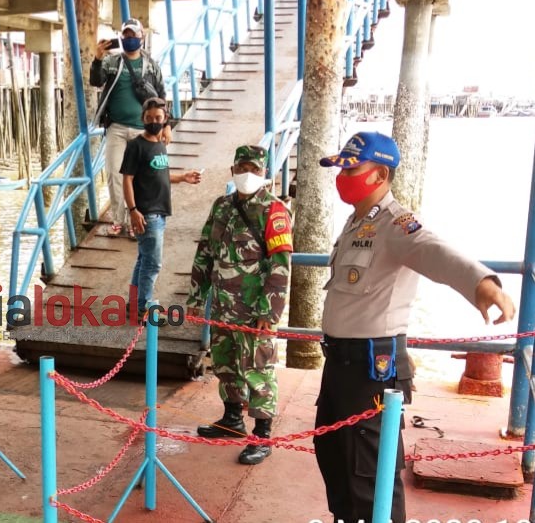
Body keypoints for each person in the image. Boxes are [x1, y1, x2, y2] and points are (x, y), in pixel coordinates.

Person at [314, 131, 515, 523]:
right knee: (334, 457)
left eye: (352, 168)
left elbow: (434, 251)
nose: (342, 176)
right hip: (339, 365)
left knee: (369, 473)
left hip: (371, 367)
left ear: (380, 175)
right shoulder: (356, 222)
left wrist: (482, 283)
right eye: (341, 168)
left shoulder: (396, 224)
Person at [186, 145, 293, 465]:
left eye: (255, 169)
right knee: (226, 363)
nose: (248, 174)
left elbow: (281, 264)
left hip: (254, 310)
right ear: (233, 170)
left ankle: (262, 434)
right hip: (222, 306)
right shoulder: (221, 207)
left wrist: (268, 311)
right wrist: (195, 296)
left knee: (258, 369)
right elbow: (205, 252)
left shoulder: (273, 210)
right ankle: (232, 420)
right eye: (243, 167)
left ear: (264, 173)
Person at [121, 97, 202, 322]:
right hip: (147, 213)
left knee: (143, 258)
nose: (153, 122)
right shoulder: (136, 146)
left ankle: (135, 302)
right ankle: (145, 308)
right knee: (152, 262)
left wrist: (183, 177)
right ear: (143, 119)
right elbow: (127, 180)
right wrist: (133, 210)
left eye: (158, 118)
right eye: (149, 118)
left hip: (160, 211)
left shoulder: (160, 145)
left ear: (165, 119)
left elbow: (160, 174)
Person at [91, 18, 170, 238]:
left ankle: (139, 220)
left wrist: (166, 125)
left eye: (133, 36)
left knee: (142, 177)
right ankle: (119, 220)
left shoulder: (150, 65)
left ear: (141, 37)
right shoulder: (112, 62)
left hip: (143, 130)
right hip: (116, 128)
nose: (129, 39)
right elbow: (96, 81)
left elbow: (161, 95)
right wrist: (98, 58)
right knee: (115, 174)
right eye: (125, 36)